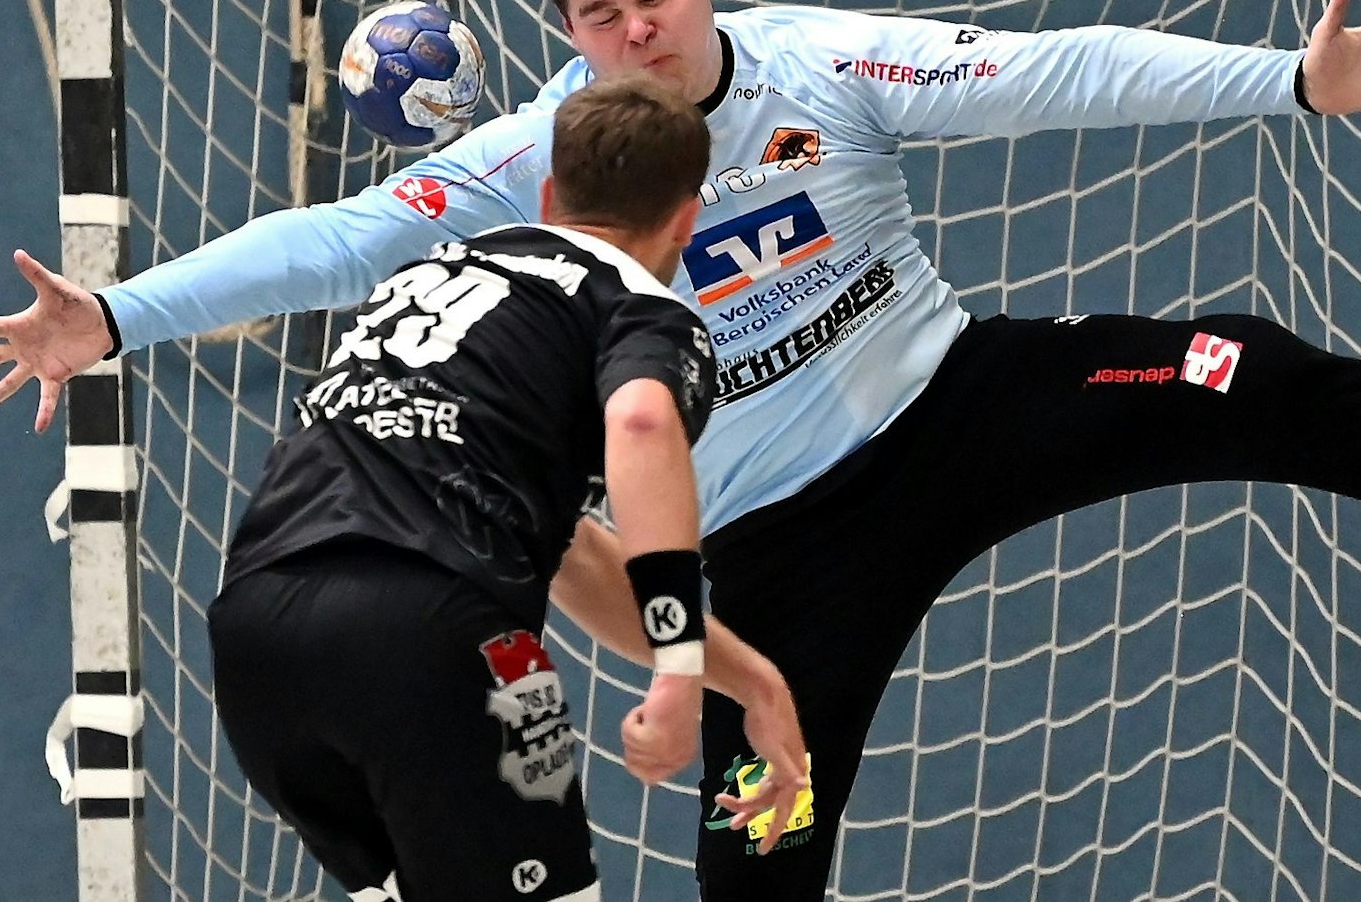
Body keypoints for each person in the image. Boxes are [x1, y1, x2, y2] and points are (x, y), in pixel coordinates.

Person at [0, 0, 1361, 901]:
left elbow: (1050, 72)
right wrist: (111, 323)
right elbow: (335, 243)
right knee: (761, 850)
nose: (632, 28)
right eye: (599, 11)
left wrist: (1295, 87)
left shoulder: (822, 66)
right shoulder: (528, 155)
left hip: (960, 406)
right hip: (777, 570)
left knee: (1241, 374)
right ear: (571, 31)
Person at [72, 76, 809, 901]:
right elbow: (641, 422)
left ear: (549, 194)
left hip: (258, 635)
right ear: (686, 215)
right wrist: (676, 669)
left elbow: (571, 555)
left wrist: (753, 681)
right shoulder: (633, 306)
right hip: (436, 637)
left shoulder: (433, 274)